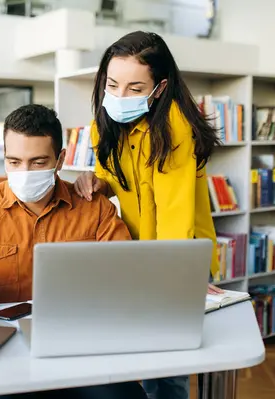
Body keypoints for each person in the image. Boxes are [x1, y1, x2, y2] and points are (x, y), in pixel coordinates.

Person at [0, 104, 147, 399]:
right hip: (3, 353)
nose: (24, 172)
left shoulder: (96, 210)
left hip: (78, 350)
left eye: (38, 162)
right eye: (13, 162)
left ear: (60, 159)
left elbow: (128, 276)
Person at [73, 31, 223, 399]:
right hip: (138, 254)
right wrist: (95, 182)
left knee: (167, 368)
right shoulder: (104, 124)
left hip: (177, 254)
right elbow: (112, 176)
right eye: (112, 84)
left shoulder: (174, 128)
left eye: (134, 87)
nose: (119, 96)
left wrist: (177, 277)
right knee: (139, 353)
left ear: (160, 88)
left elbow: (175, 215)